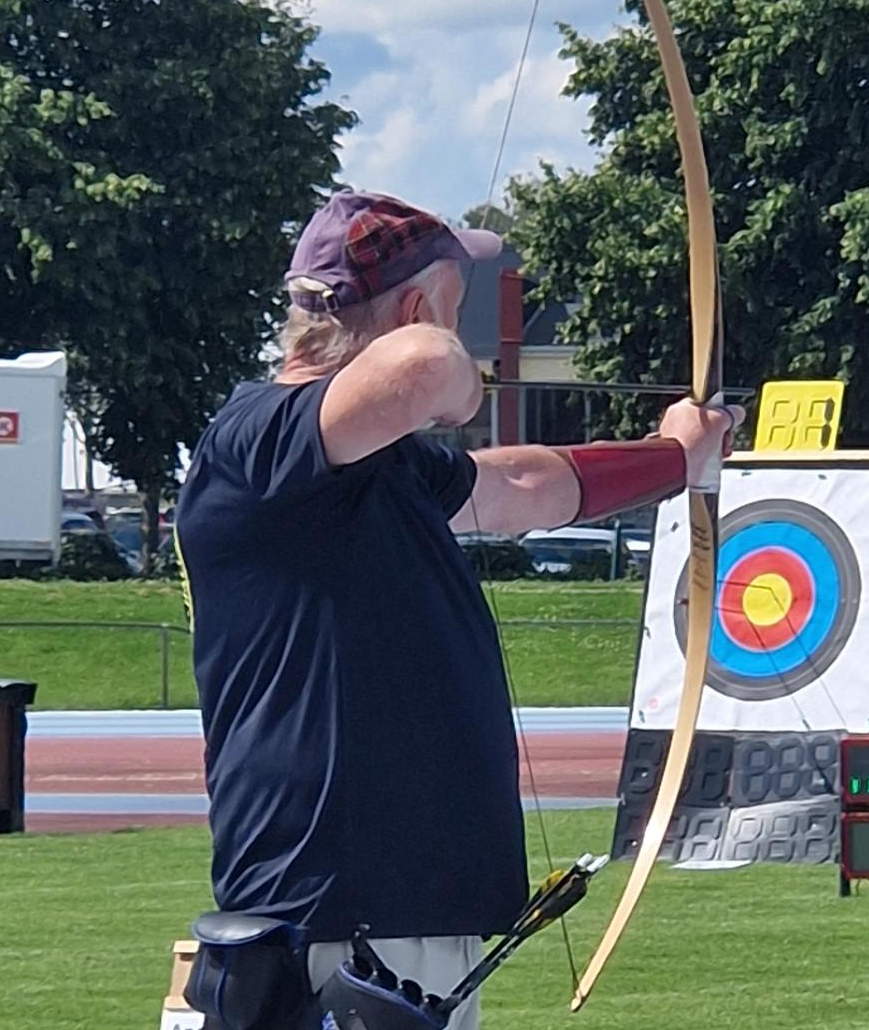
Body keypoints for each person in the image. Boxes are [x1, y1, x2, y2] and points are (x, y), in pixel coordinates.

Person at [174, 190, 740, 1029]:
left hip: (396, 919)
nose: (464, 332)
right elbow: (425, 370)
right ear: (411, 308)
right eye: (452, 304)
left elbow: (517, 485)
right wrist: (442, 355)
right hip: (335, 920)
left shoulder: (375, 468)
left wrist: (672, 458)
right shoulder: (259, 443)